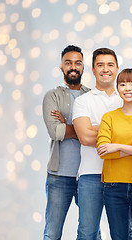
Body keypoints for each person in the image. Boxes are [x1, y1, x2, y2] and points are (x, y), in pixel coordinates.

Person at [96, 68, 132, 240]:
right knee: (118, 237)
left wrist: (118, 147)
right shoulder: (109, 117)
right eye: (123, 84)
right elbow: (104, 151)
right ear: (118, 88)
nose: (128, 88)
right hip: (114, 186)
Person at [73, 48, 122, 239]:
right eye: (100, 65)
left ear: (117, 68)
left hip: (121, 175)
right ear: (92, 70)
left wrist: (97, 128)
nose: (105, 69)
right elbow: (84, 137)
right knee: (87, 233)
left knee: (123, 233)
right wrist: (118, 133)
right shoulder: (83, 101)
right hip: (90, 174)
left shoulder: (127, 99)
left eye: (110, 65)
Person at [42, 45, 90, 240]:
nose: (73, 67)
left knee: (91, 233)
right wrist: (83, 130)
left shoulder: (92, 96)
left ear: (83, 67)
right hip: (59, 176)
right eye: (68, 63)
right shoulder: (52, 96)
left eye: (77, 63)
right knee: (52, 234)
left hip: (88, 176)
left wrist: (67, 124)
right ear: (61, 67)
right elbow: (56, 132)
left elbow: (102, 133)